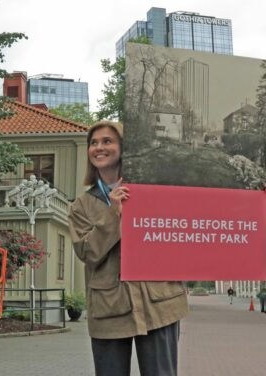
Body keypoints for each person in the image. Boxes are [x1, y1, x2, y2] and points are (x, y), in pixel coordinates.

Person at [68, 120, 188, 376]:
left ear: (124, 148)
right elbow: (87, 253)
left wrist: (252, 195)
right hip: (109, 308)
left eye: (107, 141)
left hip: (159, 301)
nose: (99, 147)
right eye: (94, 143)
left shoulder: (155, 190)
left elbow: (199, 213)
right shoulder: (81, 206)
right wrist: (113, 214)